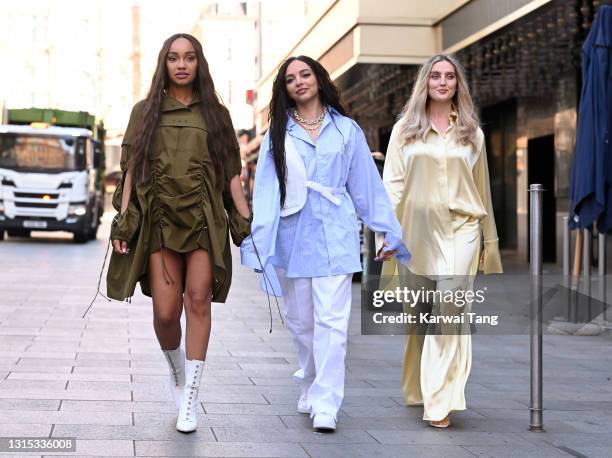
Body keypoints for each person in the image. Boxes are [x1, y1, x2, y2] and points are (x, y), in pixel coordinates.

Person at [241, 55, 410, 432]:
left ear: (319, 79)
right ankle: (311, 379)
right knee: (302, 322)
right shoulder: (278, 134)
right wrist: (259, 241)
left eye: (305, 74)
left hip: (336, 232)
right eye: (290, 79)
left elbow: (366, 185)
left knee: (333, 323)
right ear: (284, 89)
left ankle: (326, 402)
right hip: (293, 234)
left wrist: (386, 230)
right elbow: (267, 191)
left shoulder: (347, 130)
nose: (299, 82)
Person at [105, 33, 251, 433]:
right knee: (166, 313)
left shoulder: (217, 114)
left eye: (189, 57)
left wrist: (244, 224)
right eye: (173, 58)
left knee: (198, 300)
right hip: (160, 220)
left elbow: (231, 175)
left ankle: (190, 400)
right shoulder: (145, 111)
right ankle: (177, 372)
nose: (182, 64)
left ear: (199, 63)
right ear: (164, 63)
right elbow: (130, 172)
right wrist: (124, 220)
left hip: (204, 218)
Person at [379, 53, 503, 428]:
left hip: (462, 229)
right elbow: (393, 184)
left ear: (458, 85)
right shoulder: (405, 130)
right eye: (436, 76)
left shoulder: (473, 133)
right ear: (426, 83)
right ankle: (418, 386)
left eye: (450, 76)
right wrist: (387, 232)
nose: (443, 82)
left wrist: (488, 243)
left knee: (449, 311)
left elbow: (482, 191)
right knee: (419, 315)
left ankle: (439, 401)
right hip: (416, 231)